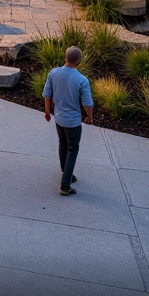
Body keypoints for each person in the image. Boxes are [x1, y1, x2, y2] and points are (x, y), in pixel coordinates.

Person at [43, 45, 94, 195]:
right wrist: (89, 117)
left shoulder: (53, 73)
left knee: (63, 145)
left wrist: (47, 111)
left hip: (59, 118)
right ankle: (65, 185)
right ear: (79, 61)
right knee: (73, 149)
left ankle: (66, 173)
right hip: (73, 122)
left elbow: (47, 94)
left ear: (65, 57)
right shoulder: (81, 80)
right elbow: (87, 103)